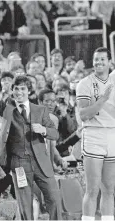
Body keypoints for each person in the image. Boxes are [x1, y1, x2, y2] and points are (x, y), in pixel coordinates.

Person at [0, 58, 62, 220]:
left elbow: (55, 134)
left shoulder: (40, 110)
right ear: (12, 91)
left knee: (54, 199)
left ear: (29, 91)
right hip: (19, 163)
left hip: (41, 163)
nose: (19, 92)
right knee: (25, 205)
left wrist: (43, 130)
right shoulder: (6, 109)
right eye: (16, 89)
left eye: (22, 89)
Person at [76, 47, 115, 221]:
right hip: (93, 135)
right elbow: (84, 114)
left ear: (109, 62)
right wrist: (102, 101)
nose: (98, 62)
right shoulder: (84, 83)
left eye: (102, 59)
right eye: (95, 59)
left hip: (112, 134)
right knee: (92, 189)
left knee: (109, 189)